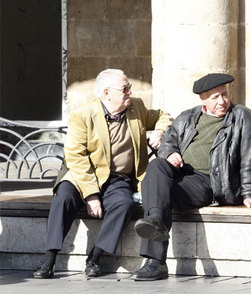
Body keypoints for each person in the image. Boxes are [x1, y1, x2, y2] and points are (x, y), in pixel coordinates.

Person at [33, 69, 173, 279]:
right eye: (125, 88)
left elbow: (163, 116)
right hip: (81, 175)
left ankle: (95, 258)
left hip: (117, 178)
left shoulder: (137, 107)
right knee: (63, 198)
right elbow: (76, 157)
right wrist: (91, 195)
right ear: (107, 93)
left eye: (129, 88)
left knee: (123, 205)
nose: (129, 92)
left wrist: (160, 131)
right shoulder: (82, 115)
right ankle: (49, 260)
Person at [131, 73, 251, 281]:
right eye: (215, 97)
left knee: (156, 195)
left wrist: (250, 192)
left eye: (224, 95)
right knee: (157, 165)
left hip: (209, 182)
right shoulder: (188, 116)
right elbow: (169, 139)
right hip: (179, 175)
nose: (222, 101)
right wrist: (170, 152)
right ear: (203, 99)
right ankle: (155, 222)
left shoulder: (242, 117)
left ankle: (155, 261)